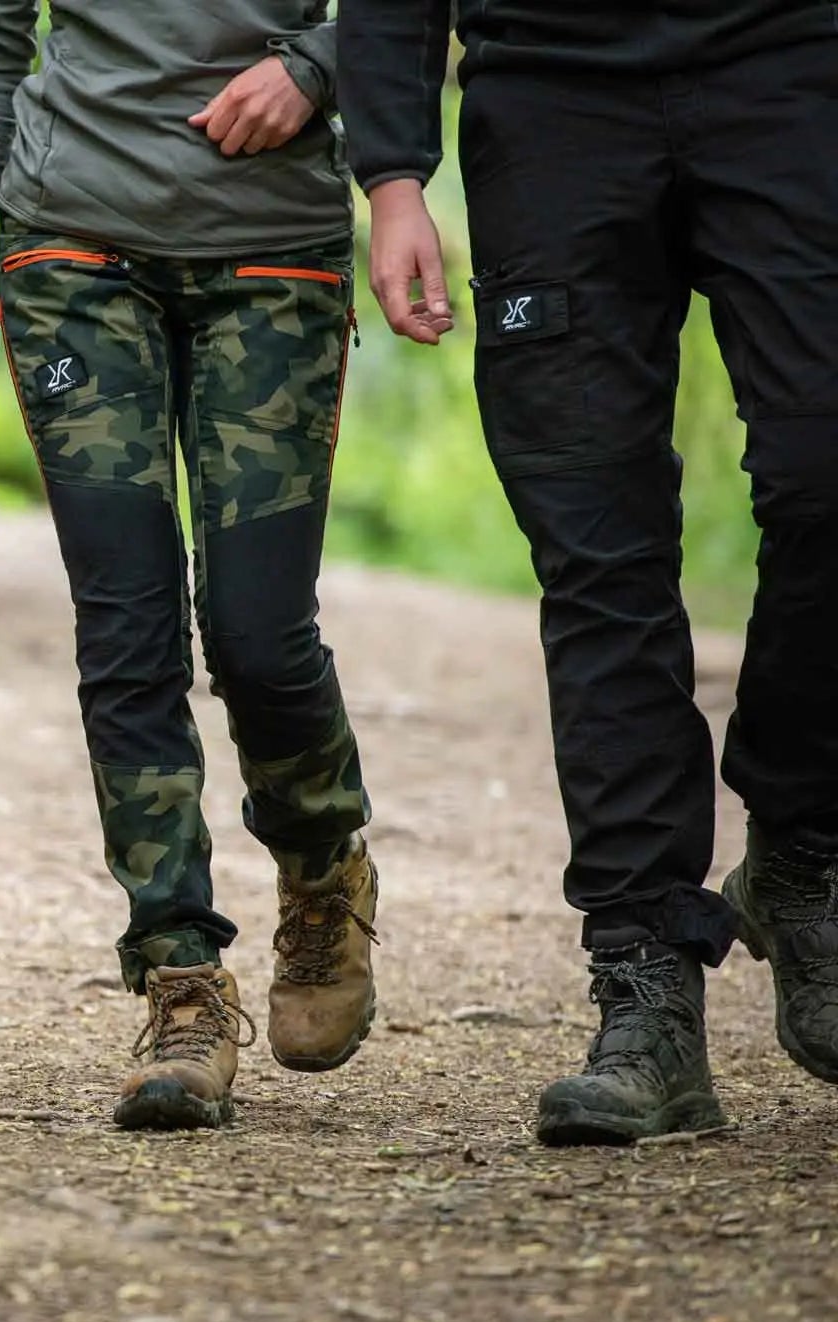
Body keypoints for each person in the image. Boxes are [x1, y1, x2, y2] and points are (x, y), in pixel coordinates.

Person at [340, 1, 838, 1144]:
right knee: (597, 556)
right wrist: (392, 172)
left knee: (824, 481)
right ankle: (643, 986)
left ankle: (801, 846)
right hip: (547, 99)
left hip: (791, 72)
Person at [0, 0, 380, 1131]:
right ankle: (178, 977)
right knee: (126, 627)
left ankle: (322, 868)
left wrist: (318, 65)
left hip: (274, 255)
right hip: (70, 258)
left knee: (258, 634)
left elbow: (411, 15)